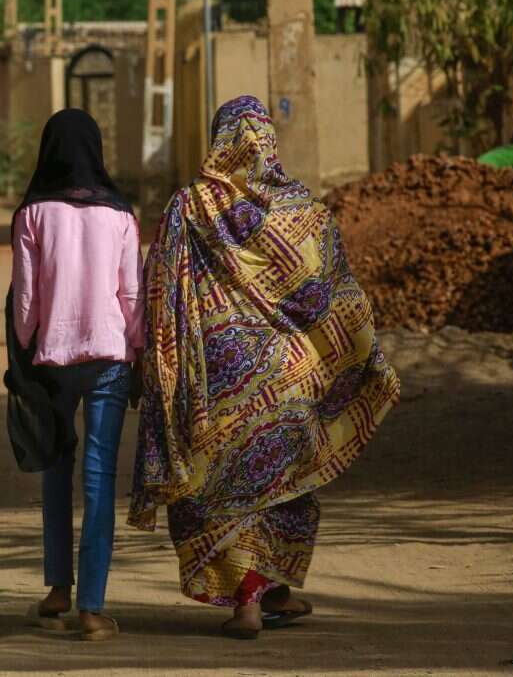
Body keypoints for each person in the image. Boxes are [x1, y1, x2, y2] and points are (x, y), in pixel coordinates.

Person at [129, 96, 400, 640]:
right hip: (291, 379)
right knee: (283, 481)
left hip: (217, 382)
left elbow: (160, 284)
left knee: (224, 490)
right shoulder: (304, 211)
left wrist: (154, 363)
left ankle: (252, 603)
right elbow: (332, 292)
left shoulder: (189, 207)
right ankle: (272, 591)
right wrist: (366, 353)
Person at [12, 109, 144, 642]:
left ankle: (57, 592)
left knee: (54, 470)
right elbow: (131, 295)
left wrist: (25, 349)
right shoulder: (121, 216)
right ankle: (93, 609)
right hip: (110, 359)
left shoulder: (33, 214)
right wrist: (136, 350)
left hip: (52, 362)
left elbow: (26, 300)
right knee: (98, 480)